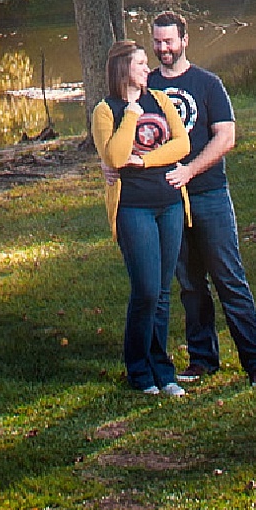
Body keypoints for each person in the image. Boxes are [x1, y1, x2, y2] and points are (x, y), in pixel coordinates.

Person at [147, 9, 256, 389]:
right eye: (157, 41)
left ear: (185, 40)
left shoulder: (207, 84)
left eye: (169, 41)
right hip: (168, 202)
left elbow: (226, 137)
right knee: (190, 284)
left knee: (229, 279)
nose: (163, 48)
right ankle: (202, 359)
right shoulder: (148, 86)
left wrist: (190, 170)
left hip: (209, 195)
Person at [89, 40, 193, 397]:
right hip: (134, 209)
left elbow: (182, 145)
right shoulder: (107, 110)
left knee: (163, 292)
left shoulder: (161, 100)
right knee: (146, 291)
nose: (145, 69)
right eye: (138, 64)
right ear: (122, 70)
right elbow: (116, 156)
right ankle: (138, 368)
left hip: (169, 204)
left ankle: (162, 371)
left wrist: (147, 160)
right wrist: (131, 113)